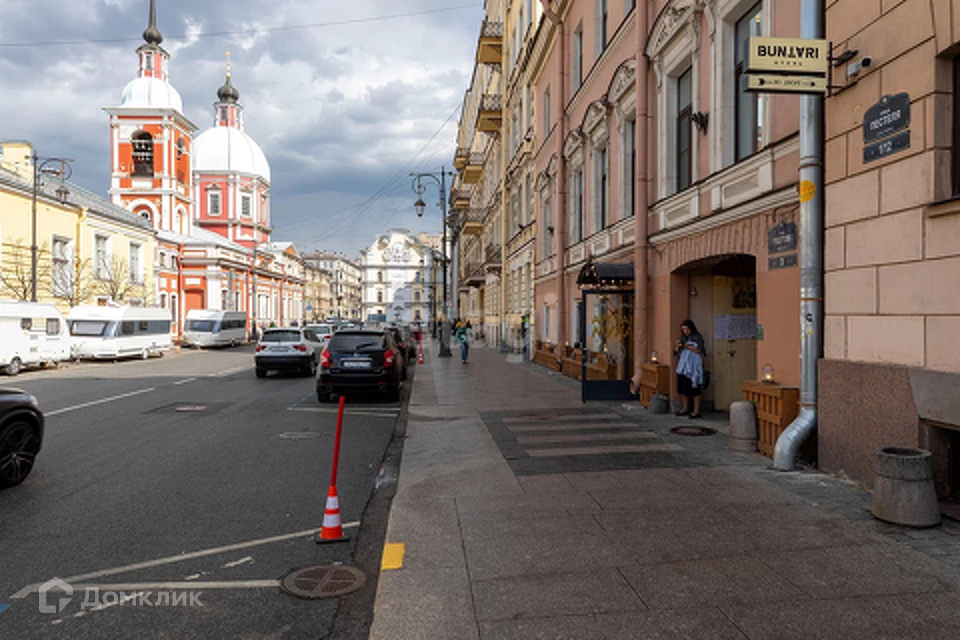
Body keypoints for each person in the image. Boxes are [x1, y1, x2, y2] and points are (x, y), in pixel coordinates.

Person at [674, 319, 706, 418]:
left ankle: (696, 410)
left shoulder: (697, 337)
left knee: (695, 389)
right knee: (684, 389)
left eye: (687, 329)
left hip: (694, 366)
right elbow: (676, 352)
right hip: (683, 366)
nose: (685, 331)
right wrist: (677, 346)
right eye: (683, 329)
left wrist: (687, 346)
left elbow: (699, 350)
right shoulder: (682, 338)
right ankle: (685, 408)